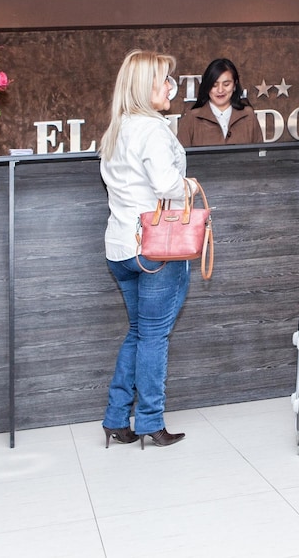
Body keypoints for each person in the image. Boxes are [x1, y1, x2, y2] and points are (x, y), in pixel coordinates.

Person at [99, 49, 195, 450]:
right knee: (154, 337)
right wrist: (189, 186)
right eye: (165, 80)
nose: (172, 86)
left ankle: (116, 418)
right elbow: (166, 185)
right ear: (145, 87)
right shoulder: (153, 129)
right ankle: (151, 422)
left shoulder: (117, 129)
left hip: (120, 247)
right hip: (155, 248)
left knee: (139, 332)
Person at [176, 58, 263, 146]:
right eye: (214, 85)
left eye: (226, 84)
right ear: (207, 87)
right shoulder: (192, 118)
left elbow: (260, 152)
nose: (220, 90)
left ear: (234, 85)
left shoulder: (248, 115)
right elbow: (179, 153)